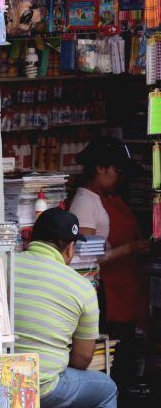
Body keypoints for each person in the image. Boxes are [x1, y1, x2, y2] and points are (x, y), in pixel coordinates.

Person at [14, 208, 116, 408]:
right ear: (69, 248)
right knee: (107, 388)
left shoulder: (2, 265)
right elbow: (83, 358)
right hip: (42, 387)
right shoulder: (82, 287)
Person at [67, 136, 149, 386]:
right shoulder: (85, 203)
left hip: (124, 287)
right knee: (110, 351)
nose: (119, 177)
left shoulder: (108, 197)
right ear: (100, 168)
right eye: (117, 170)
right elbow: (83, 257)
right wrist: (129, 249)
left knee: (123, 346)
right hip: (104, 290)